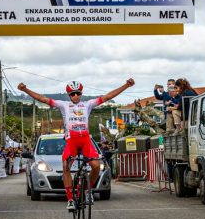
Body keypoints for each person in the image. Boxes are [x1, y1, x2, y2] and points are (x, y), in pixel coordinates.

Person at [17, 78, 135, 210]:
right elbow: (43, 99)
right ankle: (71, 199)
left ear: (81, 93)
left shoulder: (88, 104)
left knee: (96, 166)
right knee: (66, 166)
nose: (75, 96)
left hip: (85, 140)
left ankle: (87, 190)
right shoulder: (64, 105)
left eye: (78, 93)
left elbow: (108, 96)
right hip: (71, 141)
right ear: (69, 95)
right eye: (72, 94)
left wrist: (126, 85)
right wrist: (25, 89)